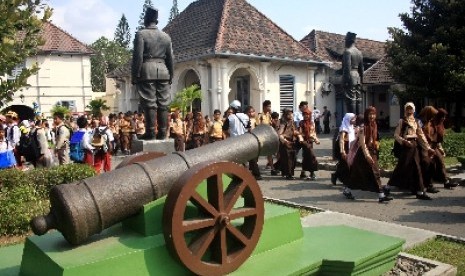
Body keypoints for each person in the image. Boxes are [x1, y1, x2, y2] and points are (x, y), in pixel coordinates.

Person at [131, 6, 174, 140]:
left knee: (150, 103)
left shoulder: (141, 34)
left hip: (147, 70)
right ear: (157, 20)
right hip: (163, 71)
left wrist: (135, 74)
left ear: (146, 19)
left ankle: (150, 132)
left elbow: (138, 57)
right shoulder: (166, 36)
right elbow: (171, 58)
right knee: (163, 103)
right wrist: (171, 74)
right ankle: (162, 132)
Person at [387, 102, 435, 200]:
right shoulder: (402, 121)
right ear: (405, 110)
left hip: (414, 147)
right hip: (406, 147)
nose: (409, 111)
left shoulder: (416, 122)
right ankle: (388, 187)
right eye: (407, 109)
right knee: (402, 167)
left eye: (411, 109)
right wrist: (404, 141)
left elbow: (421, 136)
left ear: (414, 110)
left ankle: (420, 191)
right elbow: (396, 135)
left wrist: (428, 148)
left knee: (417, 168)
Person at [345, 107, 393, 203]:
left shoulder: (374, 125)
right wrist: (367, 156)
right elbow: (362, 144)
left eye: (373, 114)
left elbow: (374, 139)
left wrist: (376, 145)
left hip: (372, 152)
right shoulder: (363, 127)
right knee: (375, 173)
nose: (372, 116)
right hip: (363, 154)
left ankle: (347, 190)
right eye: (370, 114)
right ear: (366, 115)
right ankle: (381, 195)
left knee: (358, 175)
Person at [419, 107, 456, 191]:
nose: (443, 118)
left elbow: (437, 138)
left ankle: (445, 181)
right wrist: (428, 148)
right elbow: (422, 137)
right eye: (441, 116)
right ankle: (428, 185)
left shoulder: (435, 124)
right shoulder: (423, 123)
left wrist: (440, 148)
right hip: (425, 147)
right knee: (429, 165)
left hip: (433, 147)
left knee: (440, 161)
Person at [331, 113, 356, 199]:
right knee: (345, 165)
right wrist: (342, 151)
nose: (354, 120)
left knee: (343, 165)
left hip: (349, 148)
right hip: (343, 148)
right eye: (352, 119)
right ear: (348, 119)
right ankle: (345, 181)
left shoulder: (351, 127)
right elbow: (341, 140)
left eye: (354, 118)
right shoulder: (344, 129)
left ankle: (335, 176)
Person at [342, 32, 364, 114]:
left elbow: (347, 68)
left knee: (351, 99)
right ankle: (358, 119)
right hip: (357, 77)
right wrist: (362, 80)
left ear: (348, 40)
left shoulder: (347, 52)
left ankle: (352, 119)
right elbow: (361, 68)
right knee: (358, 99)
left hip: (350, 76)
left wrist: (345, 81)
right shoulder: (359, 53)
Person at [278, 109, 303, 180]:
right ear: (286, 115)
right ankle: (289, 175)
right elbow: (280, 134)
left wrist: (299, 135)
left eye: (292, 114)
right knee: (288, 160)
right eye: (289, 114)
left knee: (292, 159)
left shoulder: (293, 122)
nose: (291, 115)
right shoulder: (283, 123)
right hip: (286, 143)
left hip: (292, 143)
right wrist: (284, 140)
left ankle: (285, 173)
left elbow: (295, 131)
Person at [298, 108, 320, 180]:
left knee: (306, 157)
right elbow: (300, 133)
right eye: (304, 115)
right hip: (304, 142)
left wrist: (316, 140)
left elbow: (313, 133)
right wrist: (302, 141)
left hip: (310, 142)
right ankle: (312, 172)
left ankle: (303, 172)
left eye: (307, 115)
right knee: (312, 156)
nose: (306, 116)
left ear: (309, 115)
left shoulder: (311, 123)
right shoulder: (301, 123)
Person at [245, 105, 262, 180]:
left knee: (254, 158)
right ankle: (256, 173)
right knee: (252, 158)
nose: (251, 113)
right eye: (249, 112)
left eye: (252, 111)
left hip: (255, 139)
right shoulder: (245, 120)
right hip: (247, 139)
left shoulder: (256, 120)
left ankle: (253, 172)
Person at [257, 100, 274, 169]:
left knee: (269, 152)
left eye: (270, 106)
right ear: (264, 107)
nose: (270, 108)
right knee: (258, 152)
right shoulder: (260, 115)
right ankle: (254, 166)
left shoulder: (269, 115)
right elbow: (258, 125)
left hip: (268, 135)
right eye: (268, 106)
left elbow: (271, 124)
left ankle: (272, 167)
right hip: (261, 135)